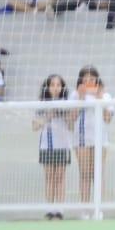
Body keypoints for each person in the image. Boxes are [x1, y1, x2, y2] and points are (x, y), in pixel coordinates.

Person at [70, 65, 114, 210]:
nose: (89, 81)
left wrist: (100, 98)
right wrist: (81, 98)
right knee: (84, 174)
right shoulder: (75, 95)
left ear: (97, 80)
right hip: (82, 139)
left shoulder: (105, 96)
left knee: (98, 174)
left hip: (100, 140)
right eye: (85, 79)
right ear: (80, 81)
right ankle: (84, 208)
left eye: (92, 79)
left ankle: (98, 208)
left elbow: (108, 118)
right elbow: (72, 118)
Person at [34, 74, 76, 219]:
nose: (56, 88)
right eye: (52, 85)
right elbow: (34, 126)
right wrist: (48, 116)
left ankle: (60, 209)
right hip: (46, 144)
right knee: (49, 176)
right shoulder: (41, 104)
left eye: (59, 85)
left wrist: (65, 115)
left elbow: (71, 126)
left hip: (63, 144)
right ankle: (50, 208)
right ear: (47, 87)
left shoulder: (67, 104)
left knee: (60, 176)